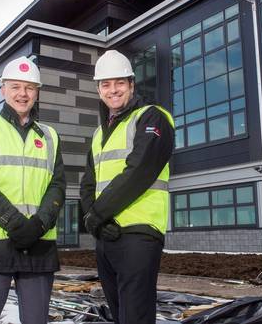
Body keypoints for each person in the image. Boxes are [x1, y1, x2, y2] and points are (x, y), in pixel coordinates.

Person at [0, 56, 66, 324]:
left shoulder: (50, 135)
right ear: (3, 89)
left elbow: (57, 184)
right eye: (16, 86)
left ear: (37, 92)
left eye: (29, 88)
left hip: (38, 246)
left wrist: (39, 224)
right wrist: (16, 224)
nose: (23, 93)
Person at [80, 50, 174, 324]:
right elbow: (88, 184)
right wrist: (92, 220)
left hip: (139, 234)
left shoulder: (152, 118)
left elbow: (139, 172)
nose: (113, 90)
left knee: (135, 315)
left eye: (119, 82)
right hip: (105, 237)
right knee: (119, 314)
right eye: (106, 84)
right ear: (98, 90)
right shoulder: (99, 134)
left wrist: (96, 216)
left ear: (131, 85)